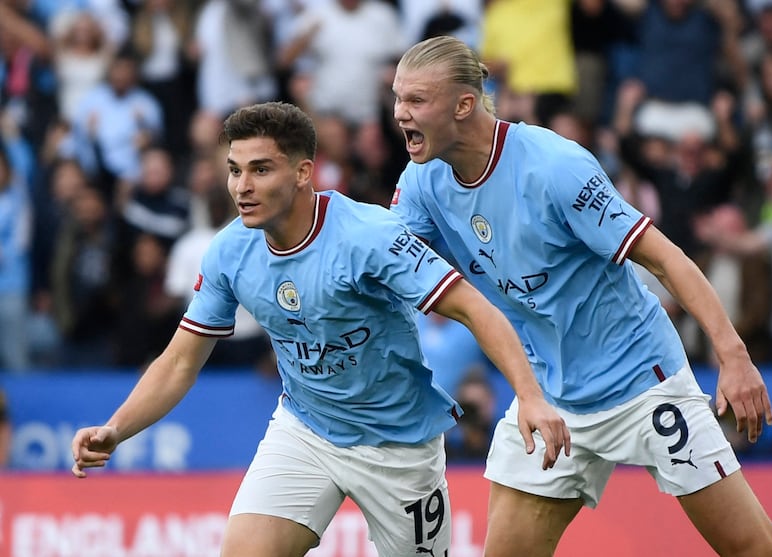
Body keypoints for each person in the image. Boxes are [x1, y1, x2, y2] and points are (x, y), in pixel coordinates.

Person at [71, 101, 569, 557]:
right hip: (306, 431)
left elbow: (475, 309)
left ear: (303, 172)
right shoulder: (229, 251)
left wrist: (529, 395)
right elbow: (180, 361)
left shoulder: (370, 236)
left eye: (261, 169)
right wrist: (117, 428)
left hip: (398, 445)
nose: (242, 186)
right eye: (234, 170)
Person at [389, 35, 772, 556]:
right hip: (550, 397)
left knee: (758, 552)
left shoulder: (554, 167)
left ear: (464, 104)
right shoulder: (423, 179)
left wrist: (734, 356)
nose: (400, 113)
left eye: (416, 100)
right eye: (398, 98)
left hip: (640, 379)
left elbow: (664, 258)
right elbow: (386, 260)